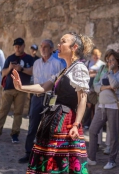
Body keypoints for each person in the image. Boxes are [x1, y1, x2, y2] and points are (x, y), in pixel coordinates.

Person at [12, 32, 93, 174]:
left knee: (61, 163)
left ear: (74, 47)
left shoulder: (79, 68)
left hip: (66, 122)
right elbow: (43, 87)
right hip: (55, 119)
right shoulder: (64, 70)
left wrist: (76, 124)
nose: (59, 45)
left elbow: (82, 99)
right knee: (51, 162)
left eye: (63, 41)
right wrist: (21, 87)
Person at [18, 39, 64, 163]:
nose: (43, 49)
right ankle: (29, 153)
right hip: (37, 97)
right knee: (32, 126)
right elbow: (35, 80)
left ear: (51, 49)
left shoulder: (57, 64)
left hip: (50, 98)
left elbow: (59, 83)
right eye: (41, 46)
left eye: (46, 47)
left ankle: (46, 155)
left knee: (48, 127)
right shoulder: (37, 63)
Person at [0, 38, 34, 143]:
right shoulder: (10, 58)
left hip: (21, 89)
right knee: (3, 111)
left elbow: (32, 71)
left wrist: (21, 69)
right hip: (8, 88)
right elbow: (3, 73)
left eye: (19, 46)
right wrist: (10, 68)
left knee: (18, 113)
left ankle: (15, 134)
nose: (17, 48)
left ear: (23, 46)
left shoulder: (29, 58)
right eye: (15, 46)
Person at [87, 51, 119, 170]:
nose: (110, 62)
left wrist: (110, 74)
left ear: (118, 62)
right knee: (93, 130)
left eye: (112, 60)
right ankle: (92, 158)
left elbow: (115, 84)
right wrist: (108, 87)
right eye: (109, 60)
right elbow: (96, 87)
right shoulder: (105, 73)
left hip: (114, 106)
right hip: (101, 105)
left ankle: (112, 160)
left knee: (113, 135)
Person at [83, 48, 105, 129]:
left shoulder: (102, 64)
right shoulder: (88, 63)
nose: (96, 58)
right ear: (92, 56)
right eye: (95, 56)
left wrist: (93, 73)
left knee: (97, 105)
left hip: (97, 85)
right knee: (89, 105)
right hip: (89, 85)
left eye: (98, 56)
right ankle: (87, 123)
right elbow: (85, 73)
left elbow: (102, 75)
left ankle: (95, 124)